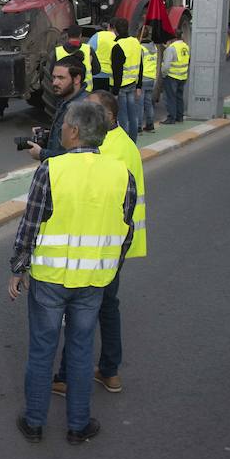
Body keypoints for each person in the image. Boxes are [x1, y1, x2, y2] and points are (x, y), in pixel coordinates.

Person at [8, 98, 136, 446]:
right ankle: (78, 425)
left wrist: (18, 270)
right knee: (80, 351)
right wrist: (108, 267)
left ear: (75, 131)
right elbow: (127, 231)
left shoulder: (52, 170)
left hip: (49, 280)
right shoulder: (120, 173)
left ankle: (34, 422)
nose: (60, 130)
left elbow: (29, 226)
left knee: (42, 350)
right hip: (94, 282)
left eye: (63, 125)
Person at [52, 90, 145, 398]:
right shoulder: (122, 144)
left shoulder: (110, 149)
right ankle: (109, 371)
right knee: (106, 308)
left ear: (107, 117)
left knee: (82, 313)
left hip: (99, 246)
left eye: (89, 110)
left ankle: (67, 377)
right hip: (111, 244)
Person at [25, 58, 89, 162]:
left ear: (77, 79)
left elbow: (77, 153)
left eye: (61, 78)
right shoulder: (65, 102)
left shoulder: (81, 109)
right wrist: (49, 134)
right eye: (54, 77)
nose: (55, 82)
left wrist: (41, 154)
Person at [110, 18, 144, 141]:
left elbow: (117, 72)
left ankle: (125, 142)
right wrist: (139, 85)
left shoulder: (117, 47)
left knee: (123, 118)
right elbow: (140, 65)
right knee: (133, 116)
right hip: (132, 84)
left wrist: (114, 92)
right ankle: (133, 141)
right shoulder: (135, 42)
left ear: (116, 31)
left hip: (121, 88)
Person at [161, 27, 189, 123]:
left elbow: (166, 65)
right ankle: (179, 116)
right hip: (183, 76)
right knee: (179, 97)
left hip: (172, 76)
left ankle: (171, 118)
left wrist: (163, 74)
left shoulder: (171, 48)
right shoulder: (185, 46)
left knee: (170, 97)